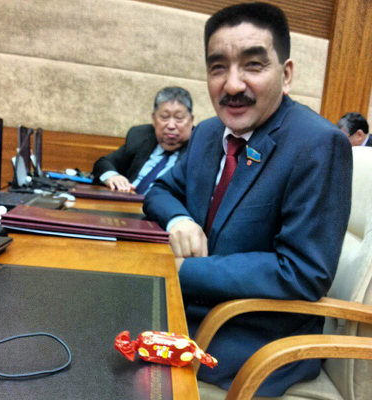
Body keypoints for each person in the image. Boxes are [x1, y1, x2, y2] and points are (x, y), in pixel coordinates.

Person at [143, 2, 352, 397]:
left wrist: (182, 270)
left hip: (251, 338)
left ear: (285, 75)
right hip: (182, 308)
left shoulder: (318, 144)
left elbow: (302, 271)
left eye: (253, 65)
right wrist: (179, 221)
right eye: (218, 67)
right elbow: (160, 190)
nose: (233, 85)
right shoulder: (208, 133)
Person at [92, 87, 194, 194]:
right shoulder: (141, 135)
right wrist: (112, 176)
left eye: (179, 118)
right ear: (154, 119)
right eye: (165, 117)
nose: (171, 126)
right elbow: (104, 163)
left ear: (191, 121)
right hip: (125, 200)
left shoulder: (198, 149)